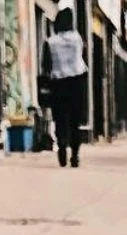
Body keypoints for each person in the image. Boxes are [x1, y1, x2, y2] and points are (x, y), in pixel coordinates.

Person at [42, 8, 88, 168]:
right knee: (75, 121)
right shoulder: (77, 39)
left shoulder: (50, 42)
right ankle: (75, 155)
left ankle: (62, 145)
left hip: (58, 84)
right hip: (76, 82)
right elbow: (83, 59)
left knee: (60, 118)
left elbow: (45, 65)